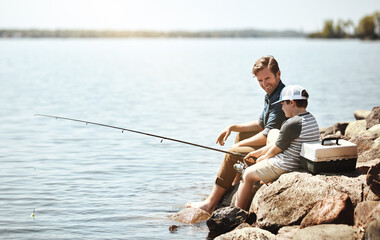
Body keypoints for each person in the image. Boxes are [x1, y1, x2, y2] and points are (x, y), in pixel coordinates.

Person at [187, 56, 287, 214]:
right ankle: (233, 185)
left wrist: (236, 148)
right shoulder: (273, 93)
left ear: (278, 74)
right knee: (241, 135)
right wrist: (233, 127)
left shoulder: (281, 100)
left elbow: (266, 134)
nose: (264, 84)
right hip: (272, 143)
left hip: (277, 152)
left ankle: (210, 203)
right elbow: (261, 123)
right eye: (260, 80)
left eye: (267, 78)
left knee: (232, 152)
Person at [235, 85, 320, 210]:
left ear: (291, 102)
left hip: (286, 164)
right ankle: (266, 177)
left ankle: (237, 211)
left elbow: (275, 150)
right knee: (273, 132)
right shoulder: (310, 118)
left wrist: (261, 158)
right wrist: (258, 153)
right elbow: (277, 145)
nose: (281, 107)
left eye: (282, 103)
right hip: (298, 160)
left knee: (247, 174)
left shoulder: (292, 123)